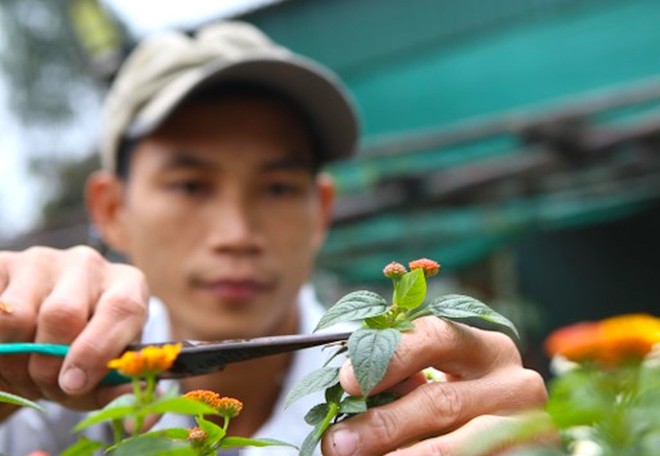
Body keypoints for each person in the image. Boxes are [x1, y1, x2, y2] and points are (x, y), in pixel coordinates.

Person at [0, 21, 546, 455]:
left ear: (321, 211)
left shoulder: (399, 388)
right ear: (112, 210)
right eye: (191, 185)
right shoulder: (42, 391)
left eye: (279, 187)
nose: (238, 235)